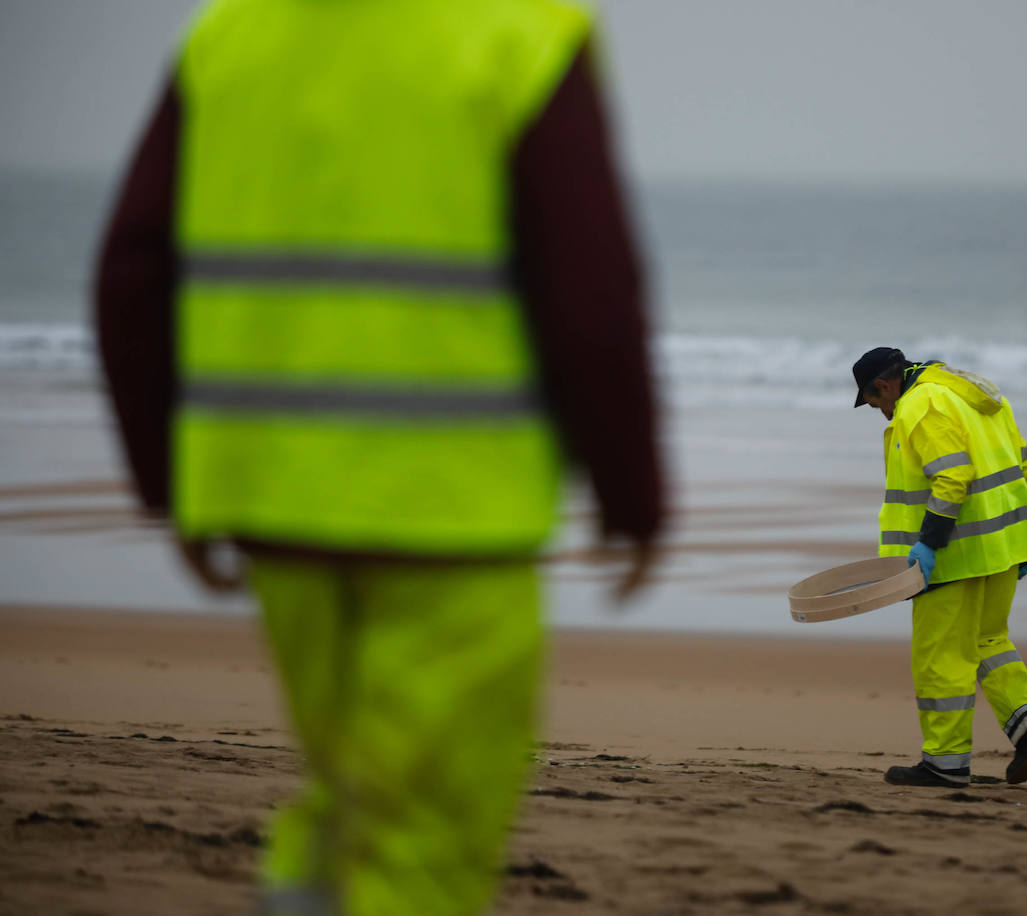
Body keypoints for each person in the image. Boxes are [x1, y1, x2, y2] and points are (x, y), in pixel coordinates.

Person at [95, 1, 664, 912]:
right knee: (429, 831)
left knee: (348, 789)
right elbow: (590, 293)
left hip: (275, 506)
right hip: (452, 517)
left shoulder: (226, 35)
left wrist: (178, 486)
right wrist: (631, 495)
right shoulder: (520, 35)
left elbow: (131, 275)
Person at [851, 347, 1027, 788]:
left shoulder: (920, 404)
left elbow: (952, 475)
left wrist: (928, 544)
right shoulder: (976, 395)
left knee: (941, 655)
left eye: (874, 402)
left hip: (954, 557)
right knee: (988, 639)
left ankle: (944, 763)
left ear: (885, 387)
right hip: (1003, 546)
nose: (880, 412)